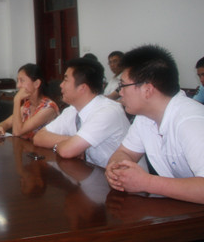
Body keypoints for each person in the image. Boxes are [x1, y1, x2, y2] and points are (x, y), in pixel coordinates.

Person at [105, 45, 204, 204]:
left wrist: (147, 182)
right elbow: (125, 152)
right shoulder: (145, 117)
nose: (120, 93)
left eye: (122, 86)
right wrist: (117, 169)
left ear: (147, 90)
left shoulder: (191, 121)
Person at [33, 58, 130, 168]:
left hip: (121, 176)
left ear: (82, 88)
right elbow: (39, 137)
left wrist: (64, 145)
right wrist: (70, 140)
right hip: (90, 172)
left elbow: (66, 151)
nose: (61, 85)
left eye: (65, 80)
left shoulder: (108, 111)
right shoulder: (72, 110)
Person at [0, 63, 59, 140]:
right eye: (18, 81)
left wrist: (17, 100)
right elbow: (7, 123)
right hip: (27, 147)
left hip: (43, 148)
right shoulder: (28, 105)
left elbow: (17, 132)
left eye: (22, 81)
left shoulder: (48, 108)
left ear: (36, 84)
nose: (18, 85)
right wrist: (0, 127)